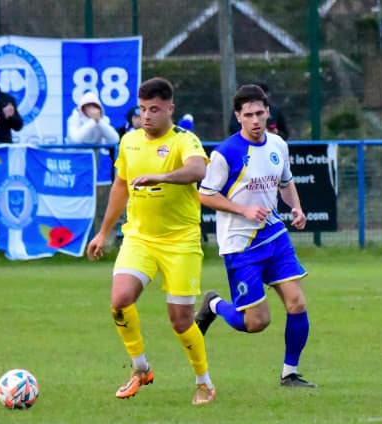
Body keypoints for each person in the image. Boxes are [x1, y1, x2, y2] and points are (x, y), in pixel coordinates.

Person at [86, 77, 216, 405]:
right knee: (120, 300)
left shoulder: (184, 140)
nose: (146, 116)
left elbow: (198, 170)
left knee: (180, 320)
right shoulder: (129, 141)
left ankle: (204, 382)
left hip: (181, 241)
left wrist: (162, 176)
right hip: (139, 238)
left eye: (154, 109)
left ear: (170, 109)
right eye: (143, 109)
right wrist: (103, 232)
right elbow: (120, 186)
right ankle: (141, 368)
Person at [194, 84, 316, 388]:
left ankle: (289, 373)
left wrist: (297, 208)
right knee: (256, 322)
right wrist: (242, 210)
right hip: (240, 245)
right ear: (238, 116)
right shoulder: (225, 153)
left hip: (274, 235)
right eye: (248, 115)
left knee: (297, 303)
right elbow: (205, 195)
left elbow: (286, 182)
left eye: (260, 113)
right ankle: (214, 304)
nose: (255, 120)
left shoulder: (278, 145)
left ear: (268, 112)